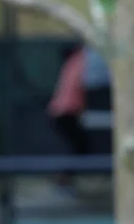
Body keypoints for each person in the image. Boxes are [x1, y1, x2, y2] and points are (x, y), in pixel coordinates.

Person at [47, 43, 90, 189]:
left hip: (63, 112)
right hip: (65, 112)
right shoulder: (81, 61)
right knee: (76, 148)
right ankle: (63, 180)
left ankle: (64, 179)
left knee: (76, 147)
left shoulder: (75, 61)